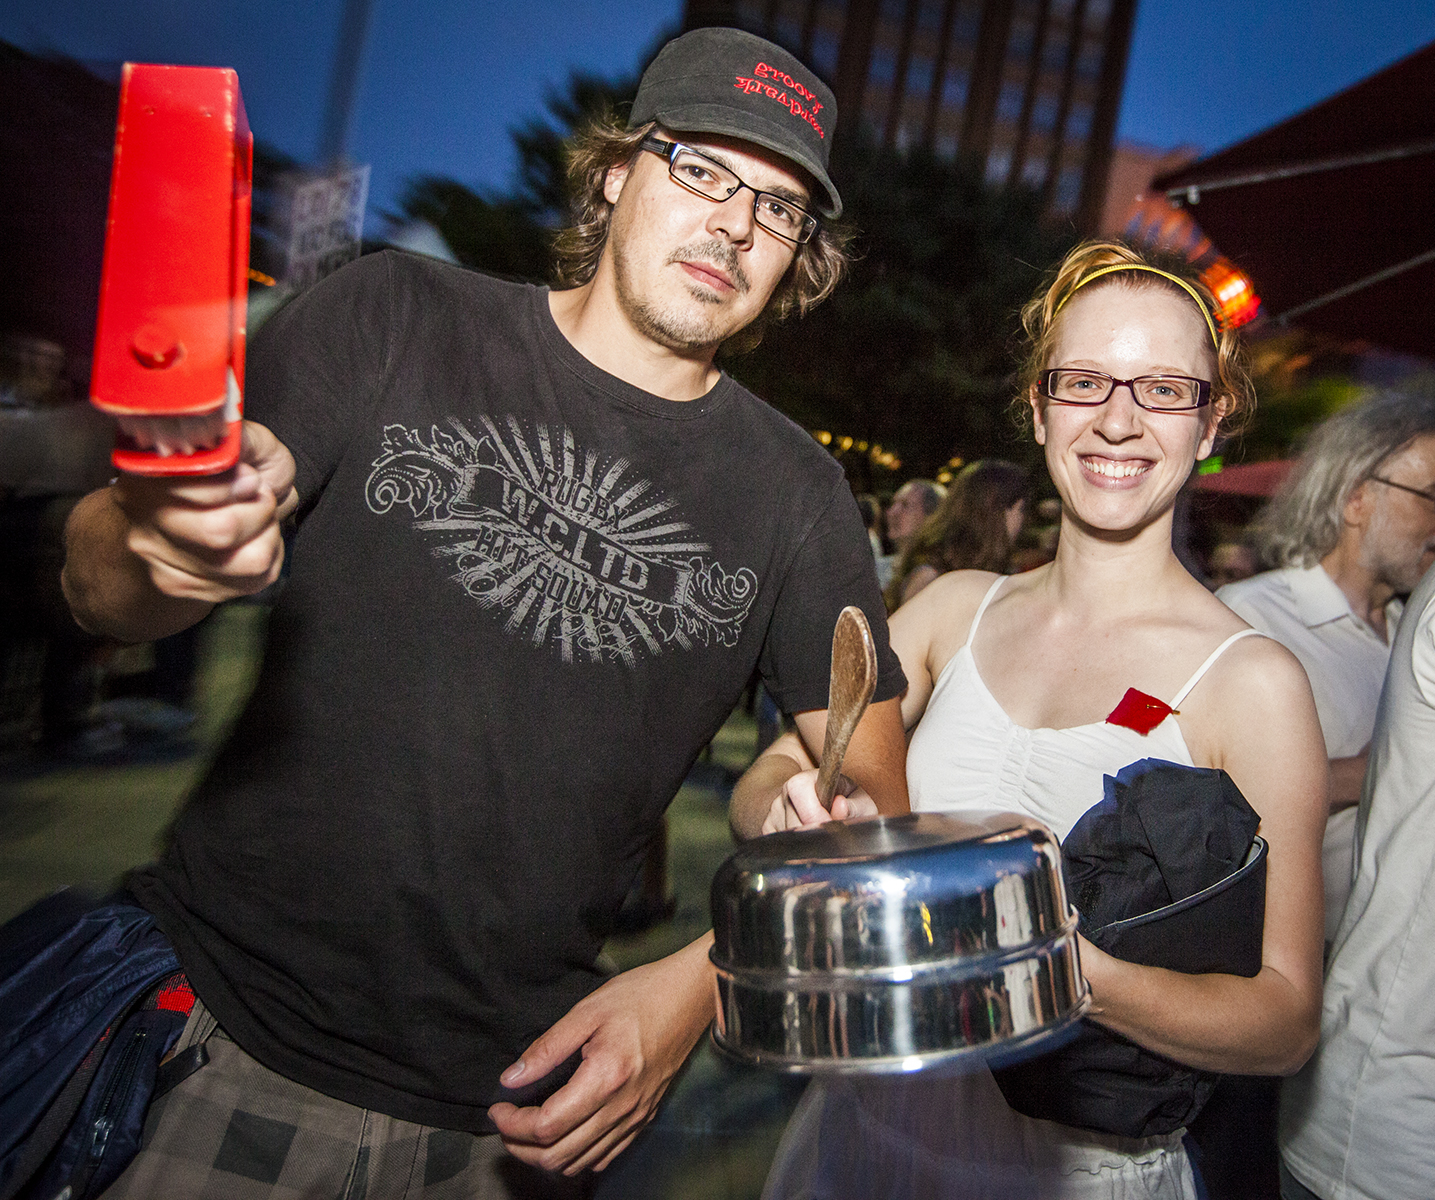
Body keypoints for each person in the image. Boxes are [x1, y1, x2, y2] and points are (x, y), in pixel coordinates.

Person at [57, 27, 909, 1197]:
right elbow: (95, 583)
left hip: (519, 1119)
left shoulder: (797, 493)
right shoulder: (395, 313)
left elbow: (875, 814)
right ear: (616, 173)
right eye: (702, 170)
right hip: (223, 1052)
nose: (733, 224)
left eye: (777, 206)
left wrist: (702, 983)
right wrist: (165, 545)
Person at [735, 240, 1327, 1199]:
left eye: (1166, 389)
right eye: (1085, 381)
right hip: (866, 1131)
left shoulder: (1251, 682)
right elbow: (774, 770)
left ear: (1211, 418)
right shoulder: (950, 612)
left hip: (1073, 1172)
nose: (1120, 420)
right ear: (1039, 404)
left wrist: (1064, 969)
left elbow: (1287, 1019)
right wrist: (790, 814)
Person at [1279, 504, 1435, 1200]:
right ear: (1356, 499)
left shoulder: (1412, 610)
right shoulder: (1259, 611)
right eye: (1434, 492)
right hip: (1422, 1121)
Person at [1218, 393, 1435, 944]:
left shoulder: (1423, 628)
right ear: (1357, 498)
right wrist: (1371, 772)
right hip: (1297, 970)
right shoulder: (1253, 617)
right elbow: (1203, 800)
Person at [882, 458, 1028, 608]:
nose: (1022, 520)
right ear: (998, 512)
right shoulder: (932, 576)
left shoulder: (986, 571)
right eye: (1020, 509)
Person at [875, 477, 944, 586]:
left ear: (931, 517)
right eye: (893, 503)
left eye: (905, 505)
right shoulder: (875, 570)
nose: (892, 512)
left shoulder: (936, 574)